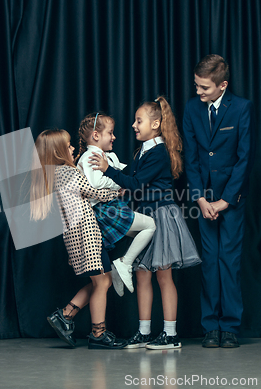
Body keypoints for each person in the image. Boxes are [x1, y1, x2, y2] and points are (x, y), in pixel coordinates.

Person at [90, 96, 201, 350]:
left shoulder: (159, 152)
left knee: (163, 276)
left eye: (139, 121)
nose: (133, 125)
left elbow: (137, 184)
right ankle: (144, 332)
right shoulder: (143, 150)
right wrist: (121, 189)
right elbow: (135, 183)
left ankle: (171, 335)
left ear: (156, 124)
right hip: (148, 215)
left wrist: (108, 169)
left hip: (162, 216)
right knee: (142, 276)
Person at [30, 129, 126, 349]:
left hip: (76, 236)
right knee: (102, 281)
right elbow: (94, 192)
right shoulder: (67, 172)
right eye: (69, 145)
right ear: (57, 151)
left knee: (102, 280)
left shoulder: (54, 174)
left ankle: (65, 315)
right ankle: (98, 334)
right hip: (87, 234)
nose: (73, 148)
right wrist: (118, 189)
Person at [182, 54, 254, 348]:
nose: (198, 92)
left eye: (204, 88)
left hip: (231, 202)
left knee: (229, 262)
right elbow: (192, 158)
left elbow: (244, 158)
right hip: (204, 202)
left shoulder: (241, 108)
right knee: (209, 263)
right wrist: (200, 199)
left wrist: (226, 200)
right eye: (197, 87)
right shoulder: (191, 109)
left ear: (222, 85)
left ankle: (231, 327)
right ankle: (210, 326)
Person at [76, 112, 156, 296]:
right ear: (96, 136)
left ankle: (120, 270)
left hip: (111, 209)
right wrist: (117, 183)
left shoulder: (106, 156)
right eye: (110, 133)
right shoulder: (91, 156)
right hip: (105, 210)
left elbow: (124, 173)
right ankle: (124, 264)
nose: (114, 137)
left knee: (142, 233)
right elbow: (95, 183)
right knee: (151, 225)